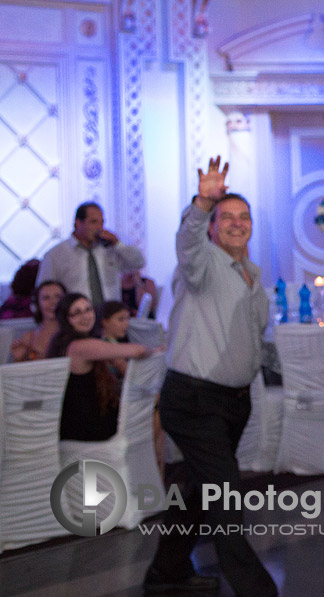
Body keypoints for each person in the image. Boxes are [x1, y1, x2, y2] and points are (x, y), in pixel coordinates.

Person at [144, 157, 277, 597]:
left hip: (232, 402)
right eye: (228, 217)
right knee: (226, 495)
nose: (237, 224)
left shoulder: (254, 274)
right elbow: (187, 242)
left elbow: (254, 339)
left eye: (244, 217)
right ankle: (257, 589)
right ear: (214, 226)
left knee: (201, 491)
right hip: (193, 399)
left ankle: (168, 571)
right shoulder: (200, 266)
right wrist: (202, 201)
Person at [48, 293, 150, 442]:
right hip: (84, 425)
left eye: (88, 309)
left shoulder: (66, 342)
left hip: (83, 418)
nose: (85, 316)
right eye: (77, 313)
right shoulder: (79, 346)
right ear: (66, 319)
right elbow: (138, 351)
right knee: (150, 409)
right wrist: (156, 350)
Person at [37, 202, 146, 310]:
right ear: (78, 223)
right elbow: (43, 290)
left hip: (109, 317)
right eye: (93, 222)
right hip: (76, 318)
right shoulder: (56, 254)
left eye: (102, 223)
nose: (99, 228)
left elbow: (139, 263)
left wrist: (117, 243)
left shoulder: (109, 249)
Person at [10, 279, 66, 362]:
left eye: (58, 296)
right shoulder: (27, 339)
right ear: (37, 304)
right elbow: (18, 373)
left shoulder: (74, 334)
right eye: (46, 298)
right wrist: (19, 359)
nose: (53, 302)